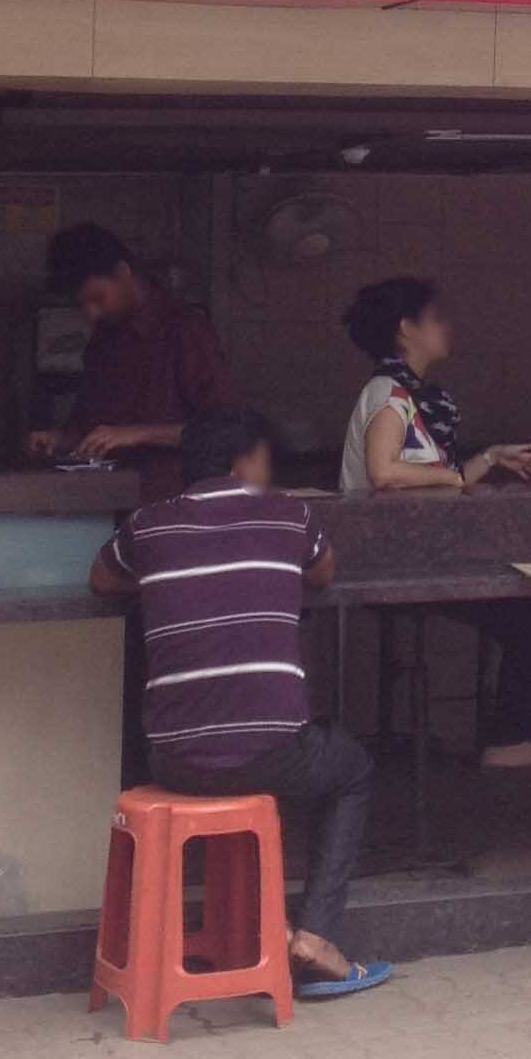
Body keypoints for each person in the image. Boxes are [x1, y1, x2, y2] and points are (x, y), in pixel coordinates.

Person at [92, 409, 390, 997]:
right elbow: (323, 573)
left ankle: (268, 929)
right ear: (243, 463)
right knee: (352, 769)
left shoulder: (148, 528)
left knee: (244, 753)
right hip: (271, 753)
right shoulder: (289, 515)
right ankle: (315, 938)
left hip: (172, 761)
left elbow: (103, 579)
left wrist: (162, 578)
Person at [339, 277, 531, 808]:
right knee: (526, 611)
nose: (448, 327)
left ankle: (522, 739)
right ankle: (517, 741)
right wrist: (457, 478)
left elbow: (432, 473)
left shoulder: (414, 398)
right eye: (436, 317)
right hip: (386, 566)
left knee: (530, 607)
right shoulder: (389, 394)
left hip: (413, 560)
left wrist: (488, 459)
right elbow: (385, 471)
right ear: (406, 329)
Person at [32, 223, 236, 498]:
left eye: (98, 298)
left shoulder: (184, 330)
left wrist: (137, 433)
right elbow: (92, 425)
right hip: (105, 504)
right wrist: (61, 439)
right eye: (83, 305)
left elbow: (228, 428)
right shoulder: (104, 341)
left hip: (172, 506)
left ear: (122, 272)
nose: (92, 314)